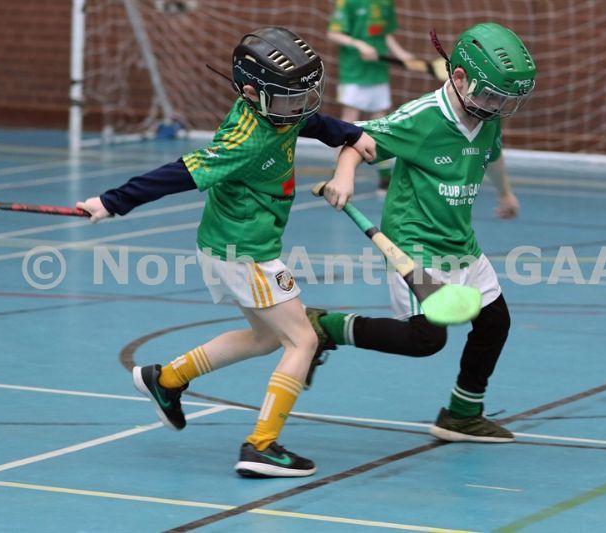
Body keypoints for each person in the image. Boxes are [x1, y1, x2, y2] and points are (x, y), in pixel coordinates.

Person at [76, 27, 375, 478]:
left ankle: (167, 380)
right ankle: (261, 446)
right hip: (245, 253)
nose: (299, 107)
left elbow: (309, 121)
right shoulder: (245, 140)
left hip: (232, 245)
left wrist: (348, 133)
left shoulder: (277, 109)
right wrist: (112, 201)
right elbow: (178, 173)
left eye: (303, 96)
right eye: (290, 98)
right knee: (303, 340)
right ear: (252, 93)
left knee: (265, 338)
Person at [309, 22, 536, 442]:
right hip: (414, 244)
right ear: (460, 78)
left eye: (506, 100)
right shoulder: (422, 118)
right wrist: (344, 176)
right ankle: (325, 327)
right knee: (425, 339)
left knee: (494, 322)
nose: (498, 106)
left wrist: (506, 193)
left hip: (459, 241)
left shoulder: (486, 114)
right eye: (492, 96)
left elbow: (492, 154)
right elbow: (358, 141)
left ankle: (462, 414)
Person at [327, 0, 415, 190]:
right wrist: (359, 44)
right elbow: (333, 34)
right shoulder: (347, 2)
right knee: (349, 120)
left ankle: (384, 174)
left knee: (381, 123)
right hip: (353, 73)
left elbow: (385, 33)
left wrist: (400, 53)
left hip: (378, 72)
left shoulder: (386, 3)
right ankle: (339, 173)